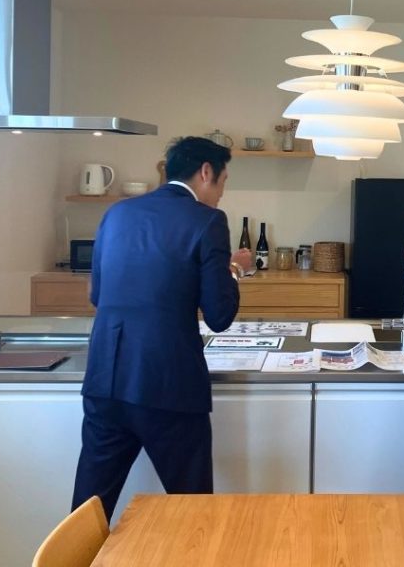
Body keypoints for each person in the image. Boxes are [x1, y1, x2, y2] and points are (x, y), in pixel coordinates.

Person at [72, 136, 253, 519]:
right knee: (193, 515)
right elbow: (219, 315)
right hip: (169, 387)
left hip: (106, 382)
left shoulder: (117, 213)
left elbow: (97, 294)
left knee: (88, 512)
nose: (221, 194)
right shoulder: (208, 221)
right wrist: (236, 269)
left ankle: (71, 552)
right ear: (206, 172)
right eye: (223, 182)